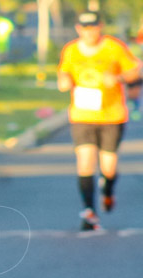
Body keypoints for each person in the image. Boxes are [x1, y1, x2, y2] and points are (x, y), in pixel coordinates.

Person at [57, 12, 141, 230]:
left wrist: (118, 78)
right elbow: (64, 75)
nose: (89, 31)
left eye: (93, 26)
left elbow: (134, 73)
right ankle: (89, 212)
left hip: (111, 115)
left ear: (100, 26)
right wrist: (64, 81)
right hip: (82, 115)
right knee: (85, 161)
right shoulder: (71, 50)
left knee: (108, 166)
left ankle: (108, 190)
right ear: (78, 28)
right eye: (85, 27)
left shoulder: (114, 47)